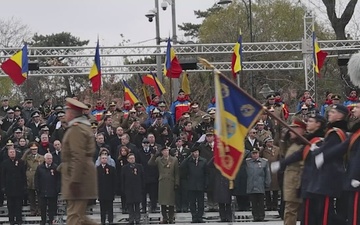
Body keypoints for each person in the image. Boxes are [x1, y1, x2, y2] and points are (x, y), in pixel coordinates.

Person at [60, 97, 98, 225]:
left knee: (74, 217)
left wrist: (75, 181)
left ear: (71, 113)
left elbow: (78, 156)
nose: (65, 114)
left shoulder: (76, 129)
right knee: (80, 217)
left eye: (67, 111)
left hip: (79, 177)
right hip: (82, 175)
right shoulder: (82, 127)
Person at [148, 146, 179, 224]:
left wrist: (176, 183)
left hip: (171, 181)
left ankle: (171, 218)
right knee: (163, 202)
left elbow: (177, 173)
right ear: (162, 152)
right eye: (164, 151)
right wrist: (155, 155)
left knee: (171, 202)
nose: (166, 152)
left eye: (167, 150)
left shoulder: (174, 159)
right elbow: (150, 163)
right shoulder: (159, 160)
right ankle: (165, 218)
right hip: (162, 182)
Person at [180, 147, 208, 223]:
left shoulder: (203, 161)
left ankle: (200, 217)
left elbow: (206, 174)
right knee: (192, 202)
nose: (195, 154)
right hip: (191, 185)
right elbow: (182, 166)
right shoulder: (189, 161)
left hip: (200, 184)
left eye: (197, 152)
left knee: (200, 202)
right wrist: (188, 157)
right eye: (194, 152)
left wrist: (206, 184)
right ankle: (194, 217)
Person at [1, 148, 26, 225]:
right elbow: (2, 176)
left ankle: (19, 220)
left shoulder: (20, 162)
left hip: (19, 188)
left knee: (18, 205)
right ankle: (11, 220)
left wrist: (24, 186)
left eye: (13, 152)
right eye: (11, 152)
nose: (12, 153)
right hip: (9, 188)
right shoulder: (4, 163)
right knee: (10, 206)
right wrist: (3, 186)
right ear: (8, 154)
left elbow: (23, 175)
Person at [35, 153, 60, 225]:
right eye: (48, 158)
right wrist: (37, 188)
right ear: (45, 159)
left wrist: (57, 189)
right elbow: (36, 179)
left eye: (51, 158)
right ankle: (43, 221)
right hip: (42, 192)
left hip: (52, 192)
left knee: (52, 208)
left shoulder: (55, 167)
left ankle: (51, 221)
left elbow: (58, 179)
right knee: (43, 208)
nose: (50, 160)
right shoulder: (40, 167)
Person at [246, 148, 271, 222]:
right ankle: (255, 216)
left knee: (261, 202)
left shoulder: (264, 162)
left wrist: (267, 183)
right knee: (253, 202)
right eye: (253, 153)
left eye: (256, 153)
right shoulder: (248, 162)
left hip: (260, 185)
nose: (255, 155)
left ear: (258, 153)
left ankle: (261, 216)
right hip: (251, 185)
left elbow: (267, 173)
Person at [22, 142, 45, 216]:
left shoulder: (41, 157)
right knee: (31, 196)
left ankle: (40, 210)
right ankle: (33, 209)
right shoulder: (28, 157)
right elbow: (22, 161)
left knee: (40, 196)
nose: (34, 150)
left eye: (35, 149)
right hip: (30, 178)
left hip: (39, 177)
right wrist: (27, 152)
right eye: (32, 149)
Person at [121, 153, 144, 225]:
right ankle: (131, 219)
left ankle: (137, 219)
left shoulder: (139, 167)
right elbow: (122, 179)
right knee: (130, 205)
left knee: (137, 205)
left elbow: (142, 177)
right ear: (128, 160)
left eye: (133, 158)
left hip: (137, 188)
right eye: (130, 158)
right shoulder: (124, 168)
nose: (132, 160)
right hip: (128, 189)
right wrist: (123, 189)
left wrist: (142, 187)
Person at [97, 155, 117, 225]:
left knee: (110, 207)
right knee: (102, 208)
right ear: (100, 159)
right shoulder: (97, 169)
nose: (104, 159)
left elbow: (114, 180)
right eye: (103, 158)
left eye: (105, 158)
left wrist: (114, 191)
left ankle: (110, 220)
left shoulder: (111, 168)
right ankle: (103, 221)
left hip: (109, 191)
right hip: (101, 192)